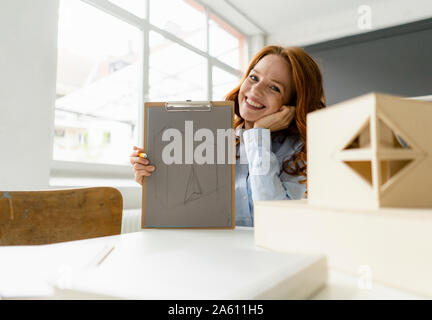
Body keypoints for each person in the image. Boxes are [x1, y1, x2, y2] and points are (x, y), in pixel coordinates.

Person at [130, 45, 326, 227]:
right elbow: (192, 209)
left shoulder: (299, 152)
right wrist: (154, 181)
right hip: (216, 252)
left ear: (292, 105)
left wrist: (258, 135)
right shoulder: (216, 138)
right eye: (254, 78)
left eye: (274, 88)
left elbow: (274, 221)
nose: (255, 90)